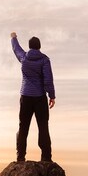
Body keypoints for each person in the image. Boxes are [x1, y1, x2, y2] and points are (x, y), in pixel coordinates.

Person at [10, 32, 55, 162]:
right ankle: (46, 157)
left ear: (29, 47)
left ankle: (20, 157)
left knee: (23, 127)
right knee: (43, 127)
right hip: (40, 98)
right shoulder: (44, 60)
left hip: (25, 97)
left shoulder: (24, 58)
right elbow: (48, 80)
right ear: (39, 47)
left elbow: (16, 48)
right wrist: (51, 96)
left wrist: (13, 37)